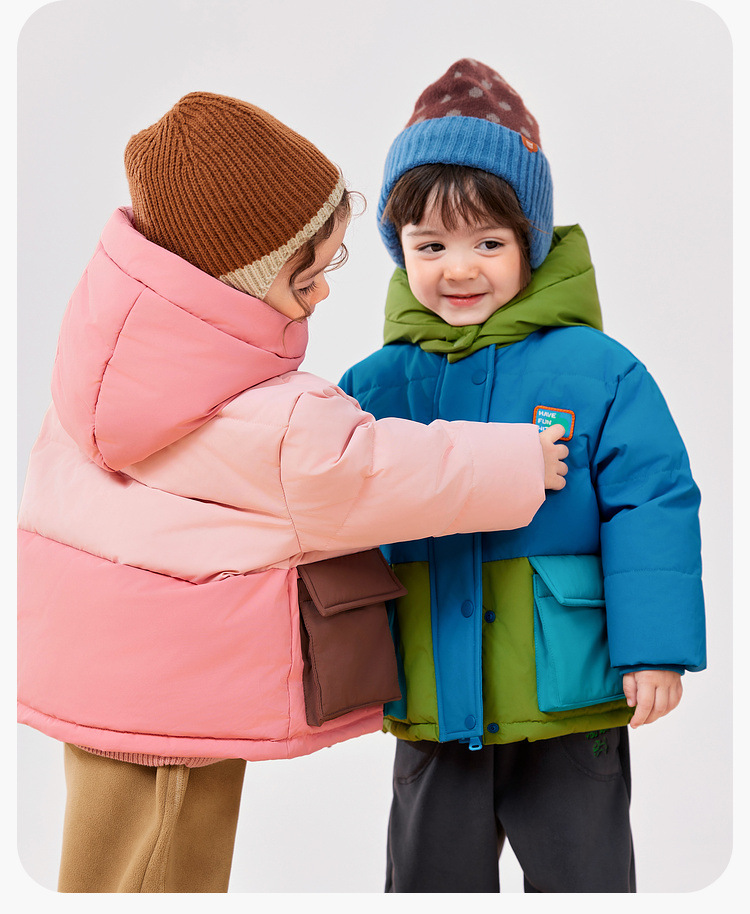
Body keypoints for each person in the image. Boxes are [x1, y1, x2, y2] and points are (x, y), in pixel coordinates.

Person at [16, 91, 569, 893]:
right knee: (170, 867)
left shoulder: (104, 370)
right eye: (309, 274)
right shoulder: (272, 420)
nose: (324, 293)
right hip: (180, 697)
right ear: (240, 280)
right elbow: (372, 472)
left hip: (97, 674)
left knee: (104, 866)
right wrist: (519, 462)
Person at [339, 59, 707, 893]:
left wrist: (654, 649)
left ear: (530, 245)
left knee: (586, 880)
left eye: (488, 243)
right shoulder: (374, 386)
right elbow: (334, 509)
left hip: (567, 695)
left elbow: (652, 502)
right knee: (428, 883)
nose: (459, 269)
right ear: (400, 250)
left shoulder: (599, 371)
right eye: (431, 246)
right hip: (433, 699)